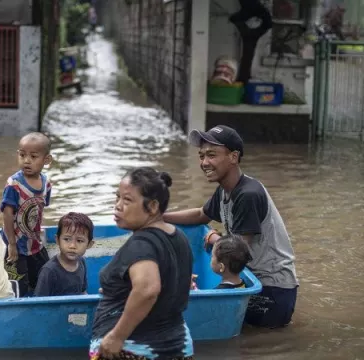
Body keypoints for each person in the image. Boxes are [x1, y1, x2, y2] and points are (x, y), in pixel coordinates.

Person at [163, 125, 299, 329]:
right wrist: (160, 217)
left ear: (233, 157)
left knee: (256, 346)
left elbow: (237, 252)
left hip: (271, 288)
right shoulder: (226, 189)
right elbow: (202, 214)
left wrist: (215, 239)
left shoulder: (248, 194)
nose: (204, 163)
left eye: (211, 155)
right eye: (201, 156)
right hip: (251, 280)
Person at [90, 167, 194, 360]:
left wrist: (117, 336)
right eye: (117, 197)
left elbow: (147, 289)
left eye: (127, 200)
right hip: (178, 347)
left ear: (153, 206)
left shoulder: (141, 244)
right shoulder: (178, 237)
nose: (118, 206)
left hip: (133, 349)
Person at [1, 132, 53, 296]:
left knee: (45, 278)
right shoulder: (14, 184)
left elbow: (39, 211)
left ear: (46, 160)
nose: (27, 160)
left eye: (33, 156)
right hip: (15, 245)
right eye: (22, 155)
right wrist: (11, 244)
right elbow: (7, 215)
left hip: (35, 244)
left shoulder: (46, 184)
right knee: (18, 286)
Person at [33, 212, 94, 297]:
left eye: (79, 241)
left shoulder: (81, 262)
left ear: (89, 244)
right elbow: (38, 303)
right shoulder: (49, 271)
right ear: (57, 240)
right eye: (67, 239)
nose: (72, 246)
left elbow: (83, 293)